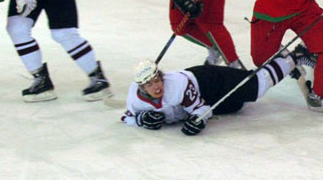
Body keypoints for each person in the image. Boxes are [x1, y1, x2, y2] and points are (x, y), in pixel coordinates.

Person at [121, 52, 297, 135]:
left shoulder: (177, 85)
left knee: (255, 86)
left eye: (157, 80)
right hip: (206, 98)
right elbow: (126, 117)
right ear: (141, 88)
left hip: (207, 81)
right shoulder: (135, 99)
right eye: (149, 84)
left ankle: (295, 57)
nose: (156, 87)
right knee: (239, 105)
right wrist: (140, 119)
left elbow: (201, 108)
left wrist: (198, 120)